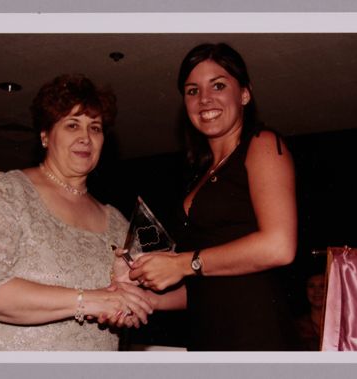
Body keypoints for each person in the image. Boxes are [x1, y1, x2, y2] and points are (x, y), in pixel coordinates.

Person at [0, 74, 152, 351]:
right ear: (45, 135)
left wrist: (127, 301)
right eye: (72, 125)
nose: (85, 137)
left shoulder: (117, 221)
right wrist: (88, 299)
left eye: (95, 127)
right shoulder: (9, 191)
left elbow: (140, 296)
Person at [121, 43, 299, 351]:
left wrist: (180, 264)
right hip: (207, 341)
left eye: (218, 85)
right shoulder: (198, 176)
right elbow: (207, 285)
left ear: (244, 94)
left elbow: (279, 247)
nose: (204, 99)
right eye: (192, 91)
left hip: (256, 339)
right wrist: (148, 300)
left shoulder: (263, 144)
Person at [295, 272, 325, 350]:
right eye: (311, 286)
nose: (317, 291)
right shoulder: (297, 326)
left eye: (322, 286)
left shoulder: (341, 324)